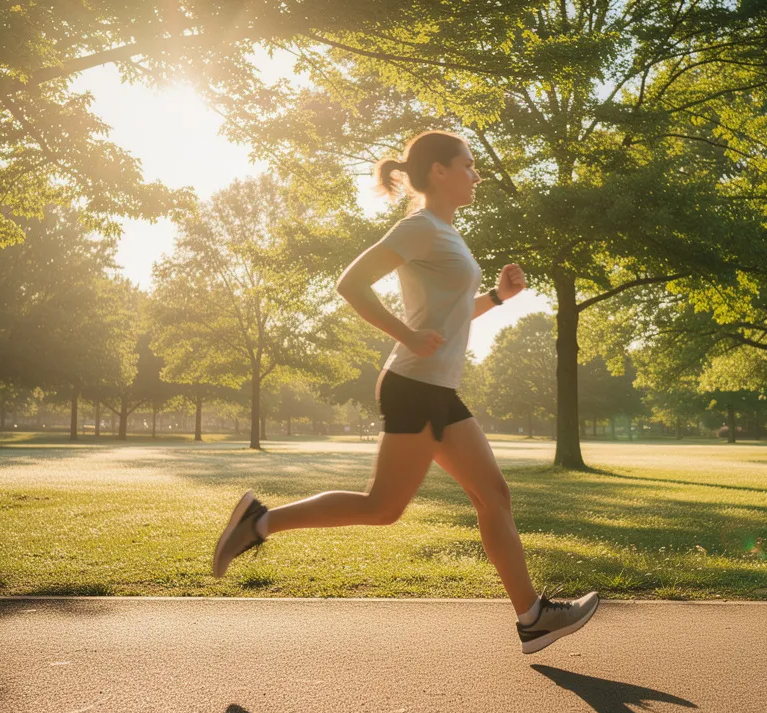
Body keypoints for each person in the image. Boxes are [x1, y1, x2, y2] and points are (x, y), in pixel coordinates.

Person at [211, 130, 599, 655]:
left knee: (494, 496)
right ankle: (260, 522)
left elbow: (452, 317)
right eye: (468, 164)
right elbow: (350, 283)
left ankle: (532, 617)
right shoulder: (419, 227)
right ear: (438, 171)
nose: (476, 174)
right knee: (382, 506)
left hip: (439, 389)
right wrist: (405, 335)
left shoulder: (447, 233)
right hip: (414, 386)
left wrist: (497, 298)